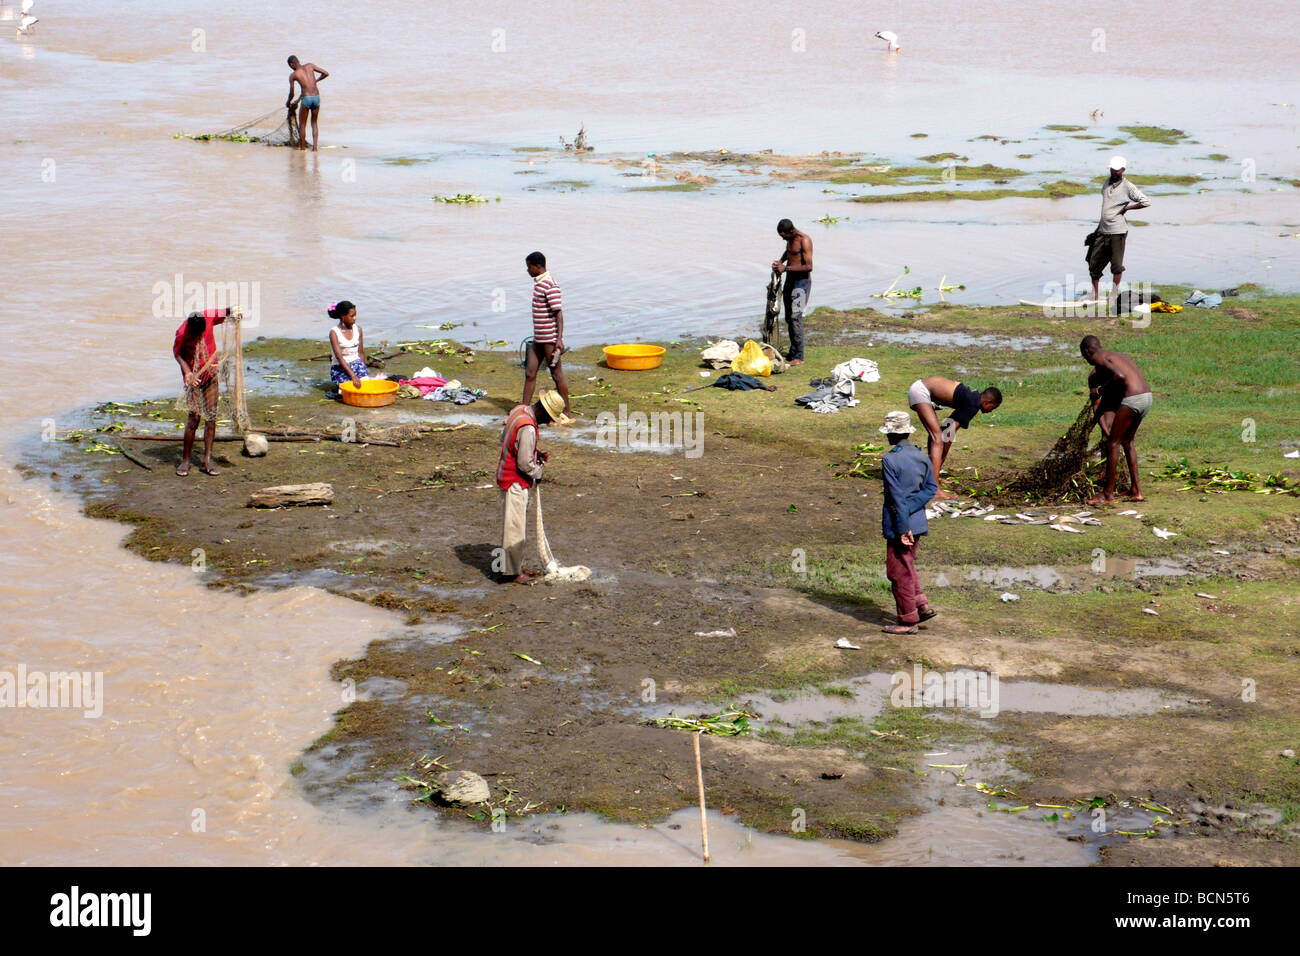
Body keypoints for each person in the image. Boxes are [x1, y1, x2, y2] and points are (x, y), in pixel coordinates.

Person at [879, 410, 938, 635]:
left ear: (891, 435)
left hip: (899, 524)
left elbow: (896, 498)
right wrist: (912, 506)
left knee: (898, 572)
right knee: (907, 564)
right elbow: (931, 488)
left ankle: (908, 621)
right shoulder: (922, 457)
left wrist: (903, 527)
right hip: (918, 522)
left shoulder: (890, 459)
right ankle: (921, 605)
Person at [496, 389, 563, 583]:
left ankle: (513, 565)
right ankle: (512, 573)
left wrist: (534, 453)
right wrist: (538, 472)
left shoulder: (519, 411)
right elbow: (524, 464)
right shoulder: (529, 427)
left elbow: (507, 440)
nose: (547, 423)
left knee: (512, 524)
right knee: (515, 528)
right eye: (548, 418)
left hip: (504, 475)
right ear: (542, 410)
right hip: (514, 481)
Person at [1080, 335, 1151, 505]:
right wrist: (1103, 428)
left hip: (1132, 399)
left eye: (1084, 356)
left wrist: (1100, 390)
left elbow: (1119, 376)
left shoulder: (1098, 357)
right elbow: (1097, 407)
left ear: (1087, 351)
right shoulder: (1118, 357)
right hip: (1146, 397)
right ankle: (1136, 491)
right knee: (1127, 441)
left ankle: (1107, 494)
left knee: (1113, 444)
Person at [906, 376, 1002, 499]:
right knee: (938, 439)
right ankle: (934, 489)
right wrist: (943, 456)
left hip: (921, 387)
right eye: (993, 408)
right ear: (988, 402)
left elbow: (947, 428)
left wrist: (938, 466)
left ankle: (932, 477)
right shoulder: (973, 404)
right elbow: (949, 432)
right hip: (921, 391)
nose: (991, 411)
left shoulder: (973, 397)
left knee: (937, 437)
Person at [173, 307, 234, 477]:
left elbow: (226, 311)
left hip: (210, 372)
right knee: (194, 418)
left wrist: (233, 310)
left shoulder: (208, 316)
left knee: (211, 416)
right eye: (195, 336)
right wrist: (187, 372)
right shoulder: (182, 332)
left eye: (201, 334)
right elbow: (177, 353)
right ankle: (185, 460)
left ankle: (207, 461)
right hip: (193, 375)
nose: (199, 338)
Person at [1088, 156, 1150, 303]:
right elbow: (1105, 208)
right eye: (1111, 169)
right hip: (1103, 230)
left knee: (1116, 266)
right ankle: (1094, 296)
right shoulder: (1106, 183)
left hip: (1118, 232)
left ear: (1123, 170)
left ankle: (1113, 295)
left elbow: (1146, 201)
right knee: (1094, 265)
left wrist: (1127, 208)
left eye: (1116, 170)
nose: (1113, 172)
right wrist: (1097, 230)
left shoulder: (1128, 186)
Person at [523, 252, 573, 422]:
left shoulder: (550, 285)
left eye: (529, 267)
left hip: (550, 339)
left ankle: (567, 411)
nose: (527, 270)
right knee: (530, 373)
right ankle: (523, 409)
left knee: (556, 374)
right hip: (538, 338)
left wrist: (559, 340)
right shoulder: (539, 283)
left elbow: (558, 314)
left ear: (538, 266)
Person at [771, 219, 812, 365]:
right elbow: (789, 252)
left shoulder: (804, 240)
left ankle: (799, 357)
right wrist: (781, 262)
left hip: (801, 284)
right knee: (789, 318)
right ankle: (793, 352)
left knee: (796, 318)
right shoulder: (790, 240)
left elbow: (808, 266)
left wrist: (785, 268)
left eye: (783, 236)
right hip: (790, 282)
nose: (782, 238)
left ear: (790, 232)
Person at [326, 300, 377, 389]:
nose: (355, 318)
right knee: (349, 389)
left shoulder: (358, 329)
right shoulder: (334, 332)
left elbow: (360, 352)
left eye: (355, 315)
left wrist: (362, 369)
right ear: (342, 316)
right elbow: (339, 357)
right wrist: (353, 376)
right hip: (340, 367)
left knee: (365, 387)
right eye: (351, 316)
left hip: (357, 364)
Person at [286, 55, 329, 151]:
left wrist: (288, 102)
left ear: (292, 64)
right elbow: (326, 73)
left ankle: (302, 149)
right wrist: (315, 81)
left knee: (302, 125)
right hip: (316, 97)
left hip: (306, 99)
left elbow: (292, 93)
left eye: (290, 66)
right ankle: (314, 148)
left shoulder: (293, 75)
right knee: (314, 123)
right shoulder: (310, 66)